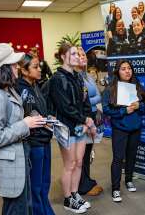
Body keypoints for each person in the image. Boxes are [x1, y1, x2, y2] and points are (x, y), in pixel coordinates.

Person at [0, 43, 46, 215]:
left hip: (19, 160)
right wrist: (25, 124)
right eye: (13, 63)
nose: (17, 66)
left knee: (23, 207)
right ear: (3, 68)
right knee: (16, 210)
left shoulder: (7, 91)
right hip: (10, 165)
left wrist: (28, 121)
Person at [49, 42, 95, 214]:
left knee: (79, 162)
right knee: (69, 164)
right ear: (63, 56)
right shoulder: (57, 79)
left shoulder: (77, 76)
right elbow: (65, 107)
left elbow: (85, 101)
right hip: (66, 127)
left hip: (80, 126)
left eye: (78, 53)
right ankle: (68, 199)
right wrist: (85, 120)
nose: (78, 56)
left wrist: (87, 121)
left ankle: (75, 194)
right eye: (73, 54)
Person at [102, 60, 145, 203]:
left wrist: (138, 106)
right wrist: (124, 110)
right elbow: (106, 109)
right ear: (117, 71)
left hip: (135, 128)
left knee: (131, 156)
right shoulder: (110, 89)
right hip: (120, 129)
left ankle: (128, 180)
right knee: (118, 159)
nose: (127, 71)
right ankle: (115, 188)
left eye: (129, 68)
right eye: (123, 69)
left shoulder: (138, 86)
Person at [16, 53, 55, 215]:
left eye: (39, 66)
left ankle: (46, 210)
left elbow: (39, 110)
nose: (40, 70)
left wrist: (48, 117)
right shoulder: (20, 89)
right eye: (35, 67)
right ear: (24, 71)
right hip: (34, 142)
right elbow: (25, 116)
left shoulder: (35, 85)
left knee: (44, 183)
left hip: (45, 139)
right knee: (35, 185)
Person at [76, 47, 104, 196]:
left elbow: (96, 95)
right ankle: (82, 186)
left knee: (87, 153)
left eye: (83, 55)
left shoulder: (87, 75)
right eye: (78, 55)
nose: (83, 57)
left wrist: (94, 99)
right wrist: (96, 99)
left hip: (92, 117)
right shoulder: (76, 77)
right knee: (80, 156)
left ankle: (86, 181)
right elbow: (82, 100)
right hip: (83, 119)